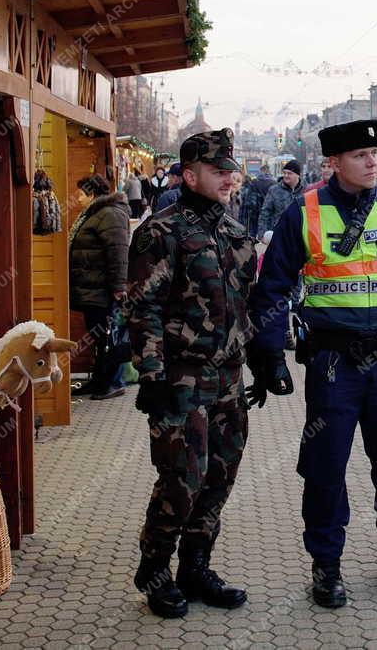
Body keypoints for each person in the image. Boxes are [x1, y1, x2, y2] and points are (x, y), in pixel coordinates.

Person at [249, 119, 377, 609]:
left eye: (374, 154)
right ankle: (326, 564)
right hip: (333, 363)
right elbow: (272, 286)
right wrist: (269, 352)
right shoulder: (304, 213)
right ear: (333, 163)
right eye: (359, 155)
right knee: (325, 466)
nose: (372, 162)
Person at [129, 129, 287, 619]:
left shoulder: (236, 234)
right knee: (181, 479)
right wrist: (152, 376)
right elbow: (143, 308)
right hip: (180, 379)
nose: (229, 178)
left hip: (229, 381)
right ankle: (154, 570)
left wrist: (263, 358)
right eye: (219, 171)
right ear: (190, 174)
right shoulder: (160, 232)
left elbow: (249, 305)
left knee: (219, 478)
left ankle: (195, 568)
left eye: (231, 171)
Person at [69, 174, 130, 400]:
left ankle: (114, 381)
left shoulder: (109, 214)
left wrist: (118, 287)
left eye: (81, 194)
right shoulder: (97, 213)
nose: (78, 199)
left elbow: (118, 254)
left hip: (103, 290)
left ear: (92, 194)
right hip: (93, 288)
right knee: (100, 336)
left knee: (109, 336)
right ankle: (100, 380)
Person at [239, 167, 275, 237]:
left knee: (253, 232)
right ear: (269, 171)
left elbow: (249, 199)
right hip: (268, 213)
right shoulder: (274, 183)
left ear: (260, 171)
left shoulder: (254, 182)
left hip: (254, 211)